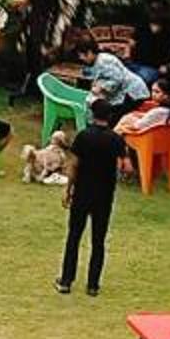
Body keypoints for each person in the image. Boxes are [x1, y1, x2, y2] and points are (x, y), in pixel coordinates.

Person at [57, 97, 124, 294]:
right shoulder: (115, 139)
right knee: (98, 240)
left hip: (83, 192)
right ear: (110, 116)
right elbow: (126, 167)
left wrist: (68, 188)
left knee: (74, 236)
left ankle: (66, 281)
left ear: (92, 114)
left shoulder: (83, 136)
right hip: (104, 195)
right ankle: (93, 285)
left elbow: (74, 165)